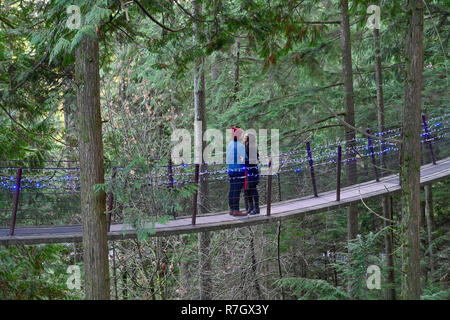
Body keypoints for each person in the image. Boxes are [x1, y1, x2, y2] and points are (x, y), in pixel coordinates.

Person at [226, 127, 247, 216]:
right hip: (238, 170)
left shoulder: (230, 144)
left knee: (232, 189)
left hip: (231, 169)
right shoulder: (240, 145)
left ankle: (231, 209)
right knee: (237, 190)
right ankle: (236, 210)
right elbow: (244, 158)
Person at [244, 132, 260, 215]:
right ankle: (250, 206)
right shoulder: (245, 146)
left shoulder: (252, 147)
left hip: (252, 171)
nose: (244, 137)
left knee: (253, 189)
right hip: (246, 170)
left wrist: (244, 159)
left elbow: (254, 159)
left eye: (246, 136)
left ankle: (256, 208)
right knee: (247, 189)